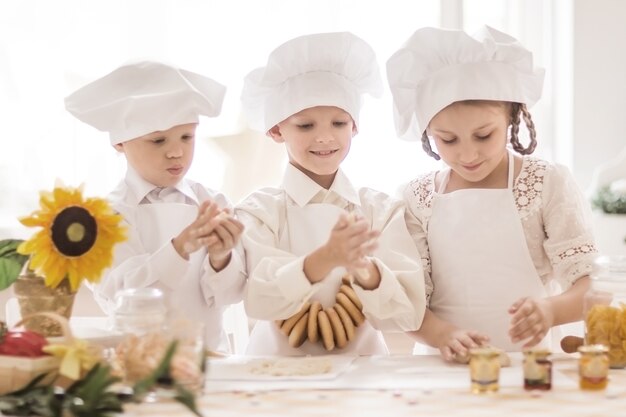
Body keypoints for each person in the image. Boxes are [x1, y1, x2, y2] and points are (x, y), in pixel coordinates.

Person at [386, 26, 598, 359]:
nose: (468, 155)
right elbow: (403, 302)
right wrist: (443, 335)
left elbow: (589, 285)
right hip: (443, 368)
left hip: (529, 367)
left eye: (483, 135)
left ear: (512, 117)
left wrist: (551, 311)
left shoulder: (546, 183)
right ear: (428, 133)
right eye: (448, 140)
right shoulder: (415, 199)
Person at [237, 32, 426, 356]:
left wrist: (365, 270)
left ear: (354, 126)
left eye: (338, 122)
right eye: (305, 125)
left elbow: (408, 311)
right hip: (274, 372)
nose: (325, 137)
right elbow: (260, 299)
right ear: (276, 130)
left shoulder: (380, 210)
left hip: (363, 371)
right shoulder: (259, 211)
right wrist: (325, 259)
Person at [64, 61, 246, 352]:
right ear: (120, 143)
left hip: (210, 361)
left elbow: (233, 294)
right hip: (136, 365)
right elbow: (122, 293)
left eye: (187, 137)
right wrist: (180, 247)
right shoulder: (104, 216)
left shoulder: (213, 203)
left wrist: (221, 257)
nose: (176, 152)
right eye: (158, 140)